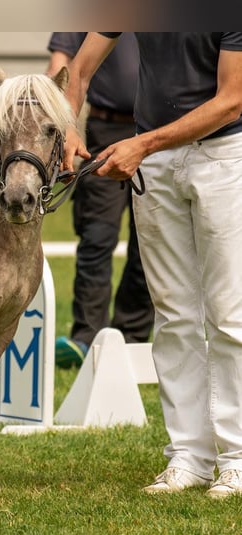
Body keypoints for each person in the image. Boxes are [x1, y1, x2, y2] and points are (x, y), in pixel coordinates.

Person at [63, 33, 242, 498]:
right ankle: (189, 457)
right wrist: (67, 124)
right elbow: (79, 70)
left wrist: (142, 144)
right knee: (174, 314)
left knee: (228, 315)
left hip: (224, 156)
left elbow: (231, 100)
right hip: (155, 161)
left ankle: (237, 458)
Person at [46, 33, 154, 369]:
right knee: (96, 237)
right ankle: (86, 338)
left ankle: (133, 338)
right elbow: (61, 65)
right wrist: (60, 121)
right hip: (105, 129)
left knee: (150, 243)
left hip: (157, 135)